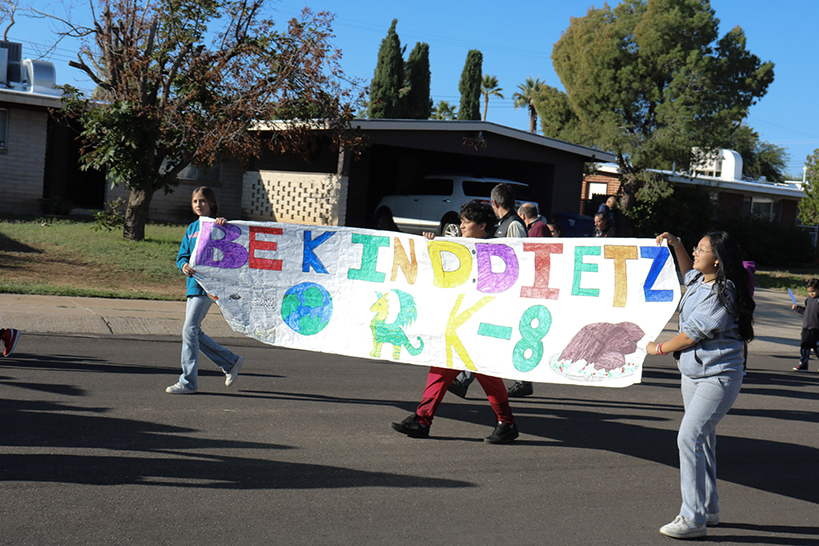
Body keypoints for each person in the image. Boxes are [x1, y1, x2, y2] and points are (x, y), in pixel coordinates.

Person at [646, 231, 755, 539]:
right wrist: (677, 244)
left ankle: (692, 519)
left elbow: (693, 333)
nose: (695, 252)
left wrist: (659, 348)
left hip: (719, 377)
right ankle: (709, 509)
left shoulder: (724, 292)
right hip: (692, 373)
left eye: (701, 249)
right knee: (703, 441)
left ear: (717, 259)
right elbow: (686, 272)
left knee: (689, 438)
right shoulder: (699, 281)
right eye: (695, 247)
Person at [390, 200, 519, 444]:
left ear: (482, 225)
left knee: (485, 372)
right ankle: (423, 419)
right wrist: (430, 244)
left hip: (482, 323)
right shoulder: (455, 245)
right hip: (458, 323)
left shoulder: (501, 250)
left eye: (466, 222)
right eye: (461, 221)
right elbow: (435, 268)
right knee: (442, 367)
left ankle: (506, 422)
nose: (460, 226)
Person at [166, 186, 244, 394]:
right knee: (193, 331)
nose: (199, 205)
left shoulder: (219, 225)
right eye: (195, 202)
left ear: (211, 204)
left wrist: (223, 226)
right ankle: (230, 361)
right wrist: (182, 265)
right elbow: (182, 255)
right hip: (193, 285)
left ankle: (188, 382)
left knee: (189, 329)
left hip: (208, 286)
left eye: (202, 201)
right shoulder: (191, 229)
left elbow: (233, 244)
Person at [791, 277, 819, 372]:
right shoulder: (809, 300)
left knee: (816, 348)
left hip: (816, 328)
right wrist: (797, 308)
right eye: (809, 292)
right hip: (806, 327)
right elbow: (806, 312)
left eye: (813, 291)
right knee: (804, 346)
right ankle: (803, 364)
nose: (811, 294)